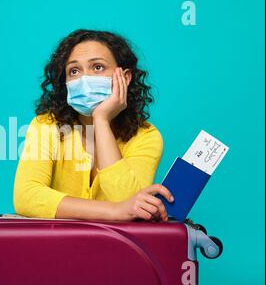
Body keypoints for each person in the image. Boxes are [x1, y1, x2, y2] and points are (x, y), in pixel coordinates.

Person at [13, 29, 174, 222]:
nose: (84, 79)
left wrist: (101, 120)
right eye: (74, 71)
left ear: (125, 76)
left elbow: (130, 207)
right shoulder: (46, 126)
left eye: (97, 67)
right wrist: (114, 211)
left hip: (117, 248)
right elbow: (26, 197)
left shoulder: (147, 136)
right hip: (54, 247)